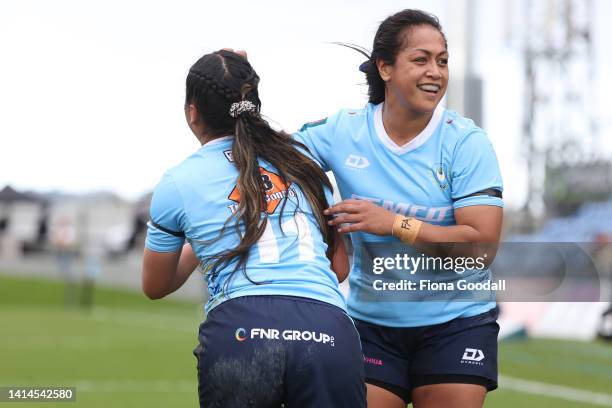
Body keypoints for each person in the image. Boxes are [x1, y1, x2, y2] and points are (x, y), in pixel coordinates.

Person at [294, 9, 504, 408]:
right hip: (371, 325)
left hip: (456, 325)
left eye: (442, 61)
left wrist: (393, 224)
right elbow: (273, 159)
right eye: (421, 59)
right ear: (385, 68)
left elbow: (481, 248)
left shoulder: (466, 143)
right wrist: (240, 90)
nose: (436, 72)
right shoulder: (343, 131)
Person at [141, 50, 365, 408]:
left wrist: (212, 237)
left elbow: (156, 285)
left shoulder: (178, 182)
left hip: (243, 332)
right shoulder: (303, 162)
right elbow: (338, 270)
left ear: (192, 111)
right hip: (328, 331)